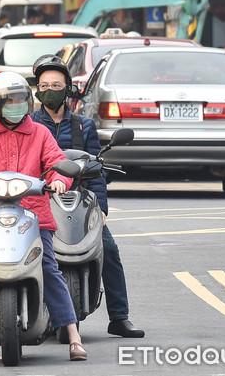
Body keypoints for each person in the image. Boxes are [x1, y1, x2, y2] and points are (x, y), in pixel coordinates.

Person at [0, 71, 88, 361]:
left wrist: (61, 179)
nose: (16, 104)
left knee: (49, 268)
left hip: (34, 213)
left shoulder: (40, 133)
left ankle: (73, 334)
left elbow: (57, 162)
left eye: (21, 99)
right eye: (9, 100)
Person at [29, 54, 145, 339]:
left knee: (109, 248)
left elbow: (97, 171)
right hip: (40, 199)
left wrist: (101, 210)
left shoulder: (84, 126)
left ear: (68, 88)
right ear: (36, 90)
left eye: (56, 84)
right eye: (44, 85)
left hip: (79, 198)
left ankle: (119, 316)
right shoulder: (29, 124)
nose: (50, 90)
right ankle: (28, 315)